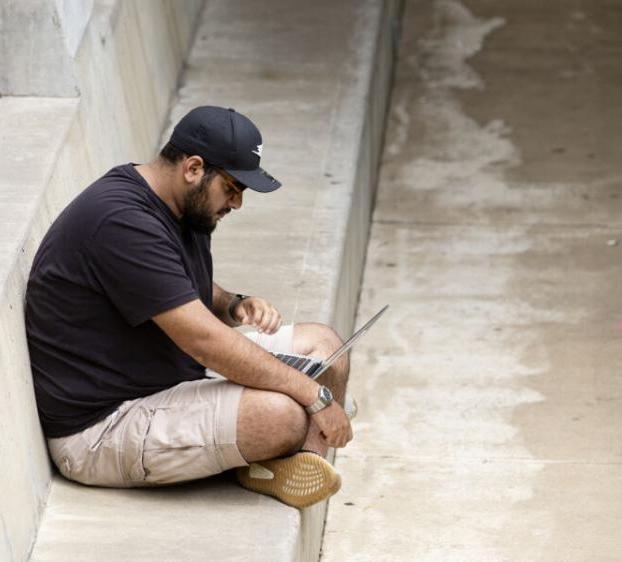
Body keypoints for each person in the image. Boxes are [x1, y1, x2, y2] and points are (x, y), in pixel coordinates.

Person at [25, 106, 353, 508]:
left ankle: (286, 457)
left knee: (325, 346)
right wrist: (315, 397)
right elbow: (205, 342)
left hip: (167, 385)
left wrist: (233, 304)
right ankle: (275, 448)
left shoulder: (182, 205)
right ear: (194, 168)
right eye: (232, 188)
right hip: (103, 428)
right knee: (283, 412)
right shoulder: (121, 222)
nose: (237, 203)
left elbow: (170, 282)